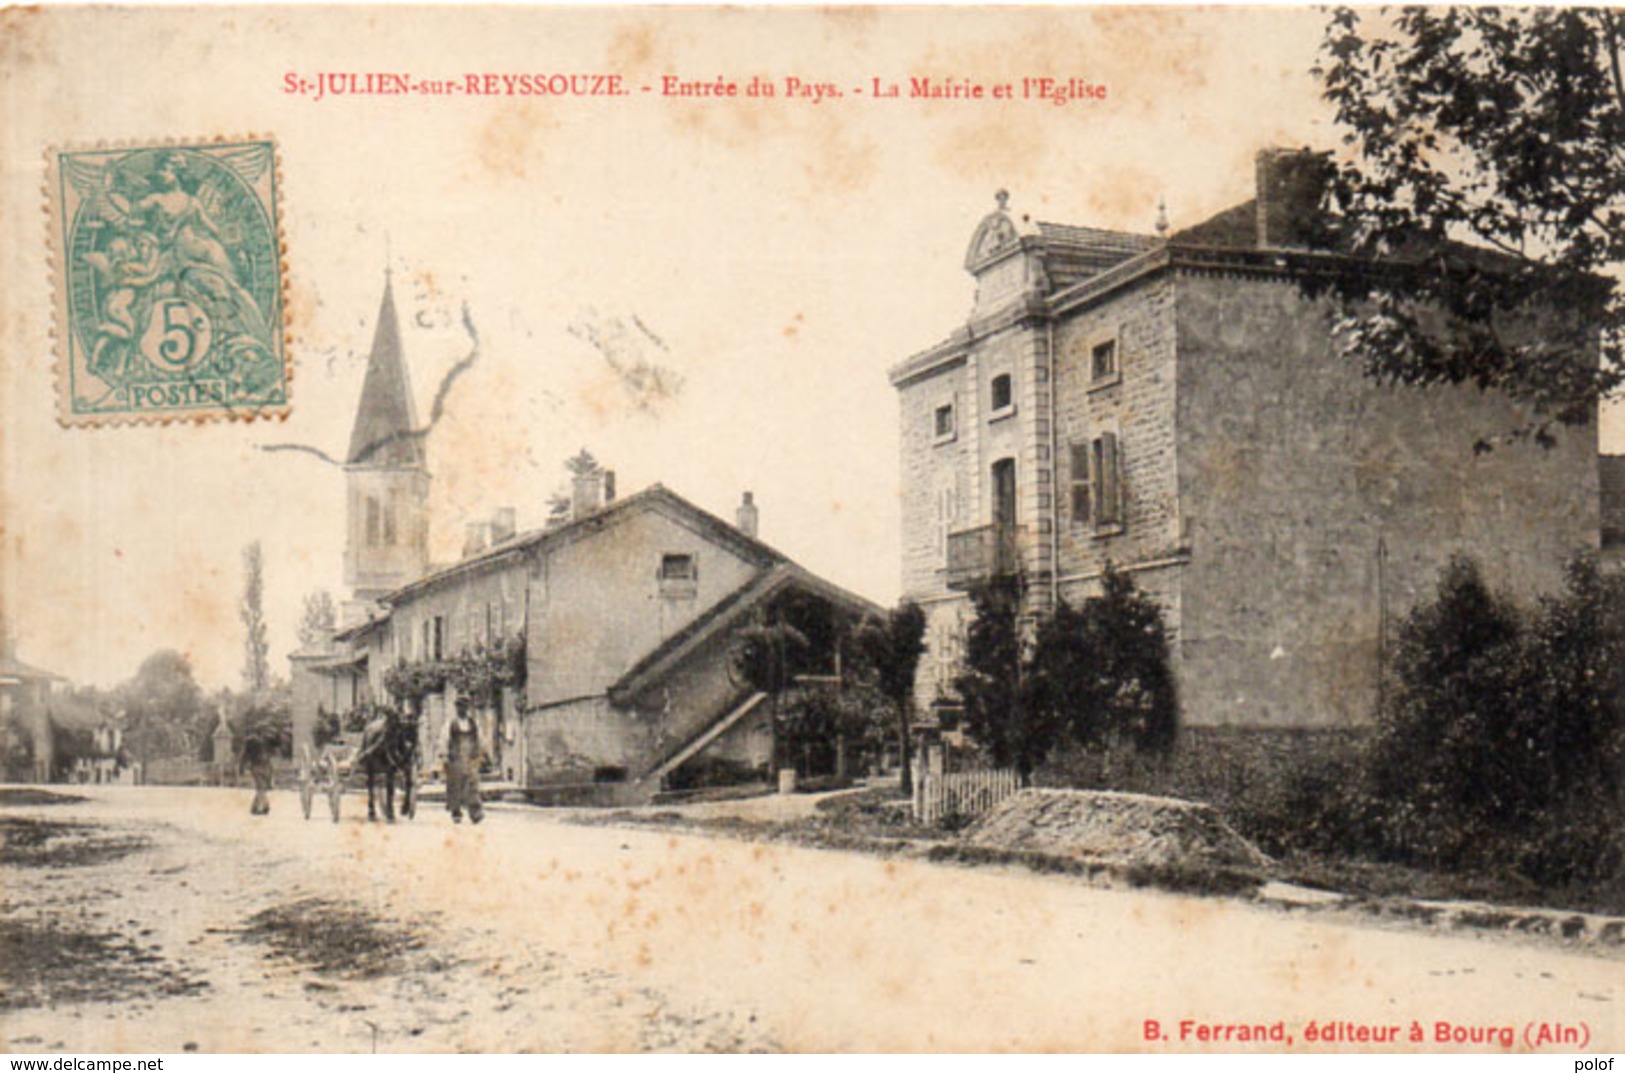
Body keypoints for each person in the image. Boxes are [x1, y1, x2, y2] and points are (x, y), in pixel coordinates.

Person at [441, 698, 485, 824]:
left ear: (468, 709)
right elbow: (444, 740)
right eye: (459, 707)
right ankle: (456, 811)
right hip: (456, 758)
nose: (462, 710)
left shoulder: (474, 724)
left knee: (473, 785)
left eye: (464, 707)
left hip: (471, 758)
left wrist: (481, 754)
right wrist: (444, 756)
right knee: (455, 785)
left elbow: (480, 740)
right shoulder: (450, 724)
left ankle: (475, 813)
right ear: (456, 709)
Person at [239, 734, 274, 816]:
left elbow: (244, 757)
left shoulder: (250, 744)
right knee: (261, 788)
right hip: (265, 767)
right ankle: (259, 807)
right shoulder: (264, 743)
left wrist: (241, 768)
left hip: (257, 767)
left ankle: (262, 806)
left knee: (260, 788)